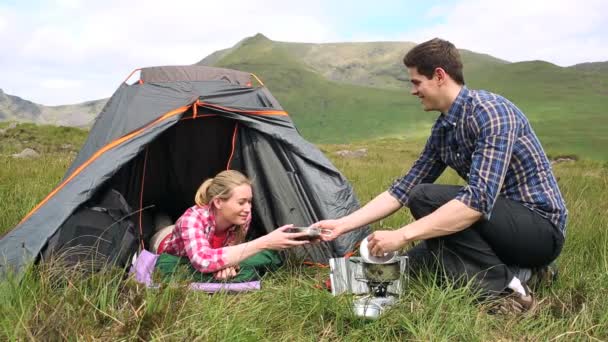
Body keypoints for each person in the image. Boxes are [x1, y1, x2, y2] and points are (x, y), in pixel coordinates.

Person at [316, 38, 567, 313]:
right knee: (415, 264)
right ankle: (527, 273)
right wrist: (343, 224)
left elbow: (477, 201)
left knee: (424, 198)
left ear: (439, 76)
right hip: (495, 230)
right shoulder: (443, 130)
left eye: (415, 82)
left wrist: (401, 234)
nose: (413, 91)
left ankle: (508, 293)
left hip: (540, 230)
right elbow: (401, 189)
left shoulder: (493, 113)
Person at [155, 169, 310, 281]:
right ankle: (158, 215)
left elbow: (234, 248)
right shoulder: (192, 219)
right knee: (161, 223)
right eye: (241, 202)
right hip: (167, 243)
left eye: (249, 201)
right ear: (218, 202)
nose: (248, 209)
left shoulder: (243, 217)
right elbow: (203, 260)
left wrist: (229, 265)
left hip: (213, 251)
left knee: (265, 256)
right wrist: (266, 242)